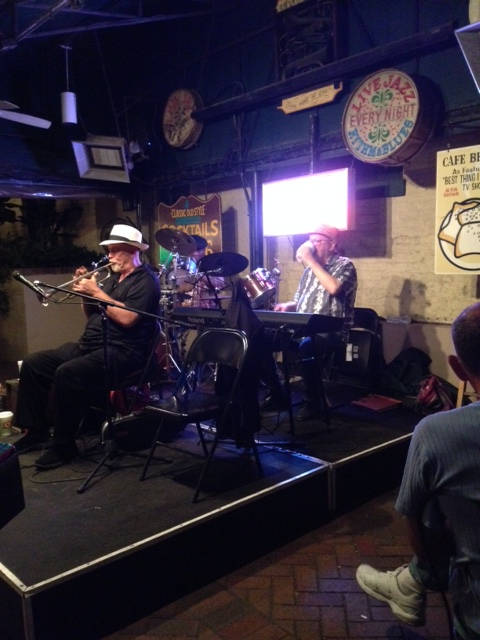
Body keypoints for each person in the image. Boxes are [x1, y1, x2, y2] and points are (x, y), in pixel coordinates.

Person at [356, 302, 480, 639]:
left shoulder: (436, 432)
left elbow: (413, 521)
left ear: (456, 367)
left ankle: (416, 581)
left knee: (429, 494)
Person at [14, 224, 160, 470]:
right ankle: (36, 431)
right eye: (109, 251)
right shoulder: (113, 278)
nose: (109, 256)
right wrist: (85, 293)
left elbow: (128, 319)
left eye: (114, 251)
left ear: (133, 251)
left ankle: (63, 445)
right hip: (91, 344)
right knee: (33, 364)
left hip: (124, 351)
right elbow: (91, 315)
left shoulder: (146, 280)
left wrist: (97, 292)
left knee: (68, 373)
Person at [274, 224, 357, 420]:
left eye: (318, 241)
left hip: (331, 332)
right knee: (262, 338)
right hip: (303, 328)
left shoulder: (344, 265)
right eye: (310, 241)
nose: (312, 246)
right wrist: (289, 305)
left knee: (307, 346)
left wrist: (310, 260)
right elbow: (301, 299)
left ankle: (314, 402)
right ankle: (276, 391)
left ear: (332, 244)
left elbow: (334, 288)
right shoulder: (309, 272)